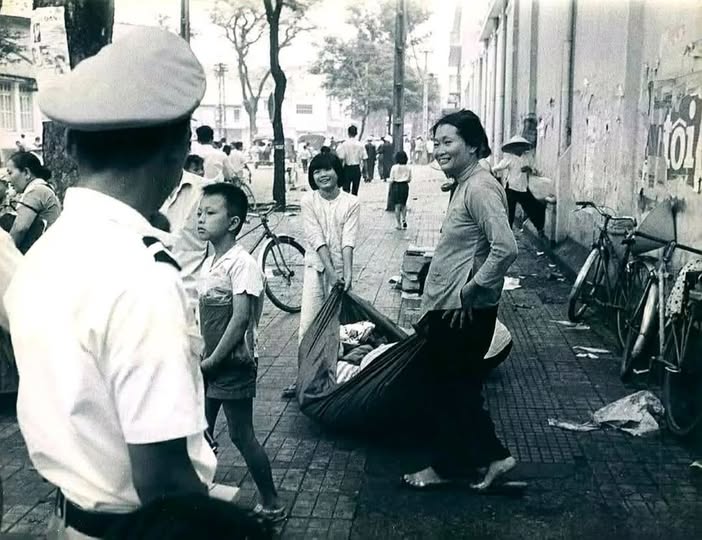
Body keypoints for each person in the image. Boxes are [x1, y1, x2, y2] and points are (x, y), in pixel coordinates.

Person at [4, 28, 219, 538]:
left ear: (72, 146)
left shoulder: (44, 253)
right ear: (178, 147)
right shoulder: (141, 277)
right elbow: (163, 481)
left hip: (71, 515)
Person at [402, 110, 518, 492]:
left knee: (451, 390)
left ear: (473, 145)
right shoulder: (466, 184)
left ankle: (452, 466)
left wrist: (471, 288)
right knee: (457, 390)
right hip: (451, 307)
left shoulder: (480, 187)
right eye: (436, 142)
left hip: (462, 311)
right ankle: (487, 458)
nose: (439, 150)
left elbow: (506, 247)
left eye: (448, 142)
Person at [196, 183, 284, 520]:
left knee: (241, 434)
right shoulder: (210, 261)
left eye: (210, 213)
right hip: (209, 361)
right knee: (199, 429)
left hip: (232, 362)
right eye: (199, 213)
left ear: (233, 222)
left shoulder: (242, 263)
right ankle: (197, 494)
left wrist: (212, 362)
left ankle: (272, 502)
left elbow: (240, 319)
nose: (201, 219)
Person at [281, 152, 360, 398]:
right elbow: (315, 237)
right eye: (317, 171)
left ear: (338, 172)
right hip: (316, 268)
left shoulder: (351, 202)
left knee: (339, 326)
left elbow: (348, 240)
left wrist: (347, 273)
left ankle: (335, 377)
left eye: (327, 169)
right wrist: (330, 271)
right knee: (308, 324)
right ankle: (302, 379)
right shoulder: (308, 200)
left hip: (340, 274)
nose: (322, 175)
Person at [6, 151, 61, 253]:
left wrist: (6, 252)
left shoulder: (36, 191)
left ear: (26, 173)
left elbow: (20, 229)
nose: (8, 180)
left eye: (10, 173)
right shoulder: (42, 188)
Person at [492, 135, 545, 237]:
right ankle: (507, 234)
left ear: (523, 147)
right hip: (511, 188)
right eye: (516, 146)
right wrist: (493, 173)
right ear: (513, 148)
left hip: (523, 188)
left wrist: (530, 170)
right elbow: (497, 168)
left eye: (520, 146)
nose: (518, 148)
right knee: (509, 211)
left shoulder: (527, 157)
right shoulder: (509, 158)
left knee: (532, 208)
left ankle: (539, 228)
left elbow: (537, 171)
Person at [335, 125, 367, 195]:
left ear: (348, 133)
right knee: (355, 191)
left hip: (347, 168)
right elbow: (364, 159)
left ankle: (347, 201)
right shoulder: (360, 145)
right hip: (356, 168)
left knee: (346, 191)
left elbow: (341, 158)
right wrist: (366, 172)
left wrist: (339, 171)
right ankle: (353, 201)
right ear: (356, 133)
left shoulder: (344, 144)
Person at [388, 150, 412, 230]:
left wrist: (390, 188)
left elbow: (391, 179)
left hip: (396, 186)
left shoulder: (394, 167)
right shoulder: (408, 167)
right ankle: (404, 219)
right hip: (404, 186)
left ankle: (399, 224)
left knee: (397, 206)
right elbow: (409, 179)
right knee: (404, 204)